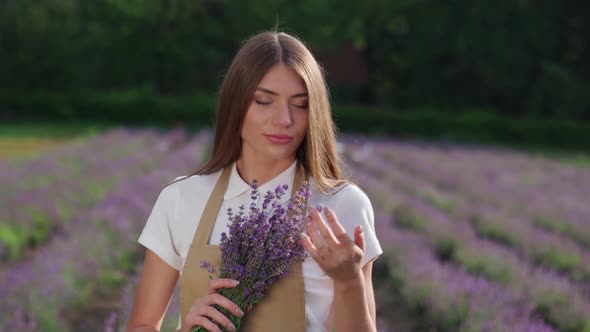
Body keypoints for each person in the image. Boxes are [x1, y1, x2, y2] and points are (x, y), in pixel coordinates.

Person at [127, 30, 382, 332]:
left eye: (300, 104)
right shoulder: (181, 199)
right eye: (264, 101)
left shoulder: (341, 204)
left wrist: (348, 280)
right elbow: (141, 325)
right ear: (236, 104)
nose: (284, 119)